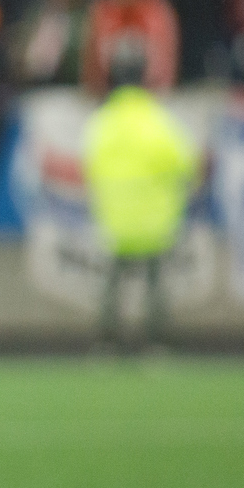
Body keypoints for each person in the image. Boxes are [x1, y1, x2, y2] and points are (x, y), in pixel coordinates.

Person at [84, 38, 197, 349]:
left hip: (116, 219)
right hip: (153, 220)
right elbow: (184, 164)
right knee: (154, 285)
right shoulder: (158, 120)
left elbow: (89, 165)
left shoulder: (103, 121)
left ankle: (107, 343)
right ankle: (154, 343)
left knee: (111, 285)